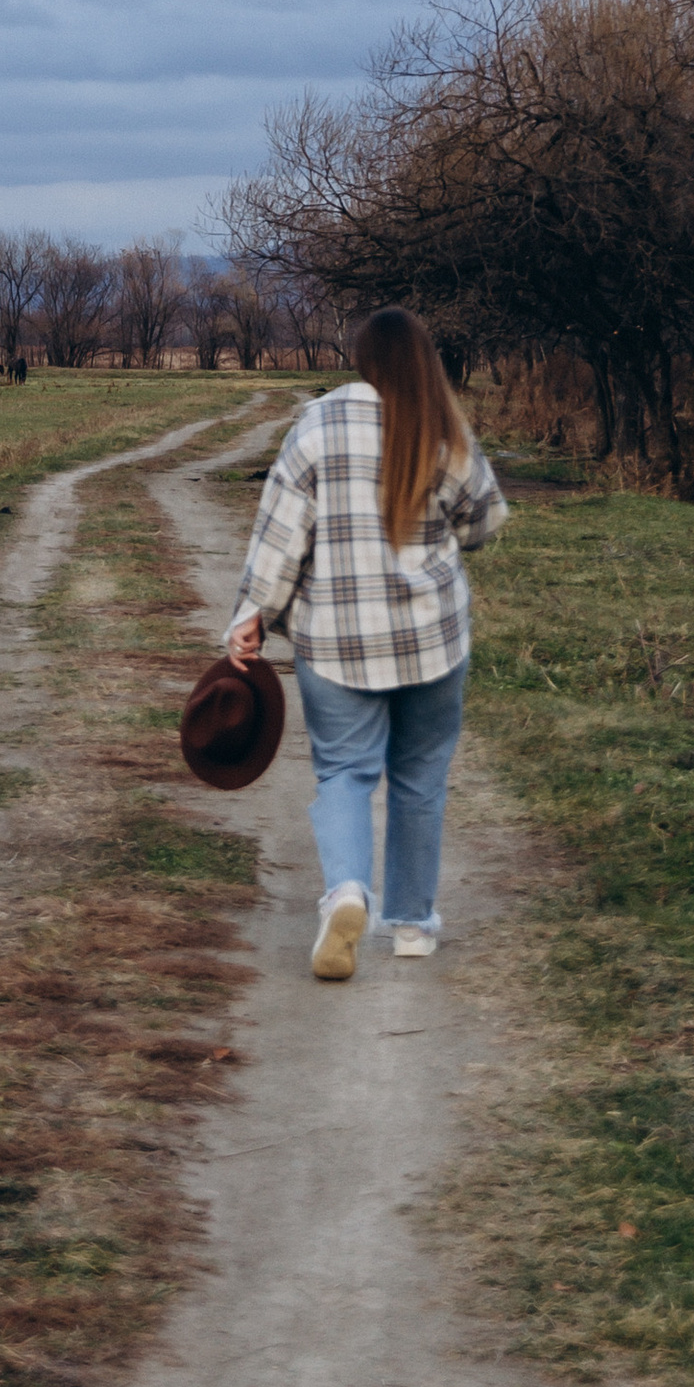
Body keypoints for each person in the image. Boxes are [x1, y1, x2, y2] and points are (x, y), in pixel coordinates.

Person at [225, 306, 508, 981]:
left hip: (337, 641)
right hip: (430, 640)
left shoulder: (318, 425)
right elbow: (485, 519)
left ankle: (348, 891)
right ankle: (412, 925)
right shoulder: (443, 427)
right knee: (420, 777)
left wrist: (252, 615)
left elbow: (281, 536)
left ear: (361, 359)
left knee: (345, 773)